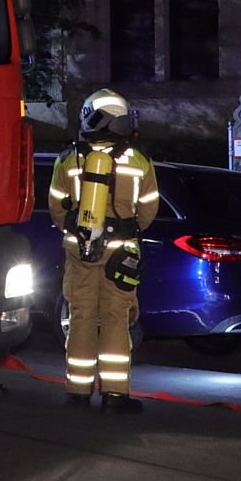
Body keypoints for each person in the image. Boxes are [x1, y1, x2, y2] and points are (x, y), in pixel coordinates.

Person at [48, 89, 160, 413]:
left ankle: (77, 392)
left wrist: (79, 231)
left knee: (81, 316)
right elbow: (148, 210)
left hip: (79, 250)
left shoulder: (69, 159)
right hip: (121, 253)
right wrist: (127, 229)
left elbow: (56, 207)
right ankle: (115, 396)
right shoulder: (138, 161)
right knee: (115, 319)